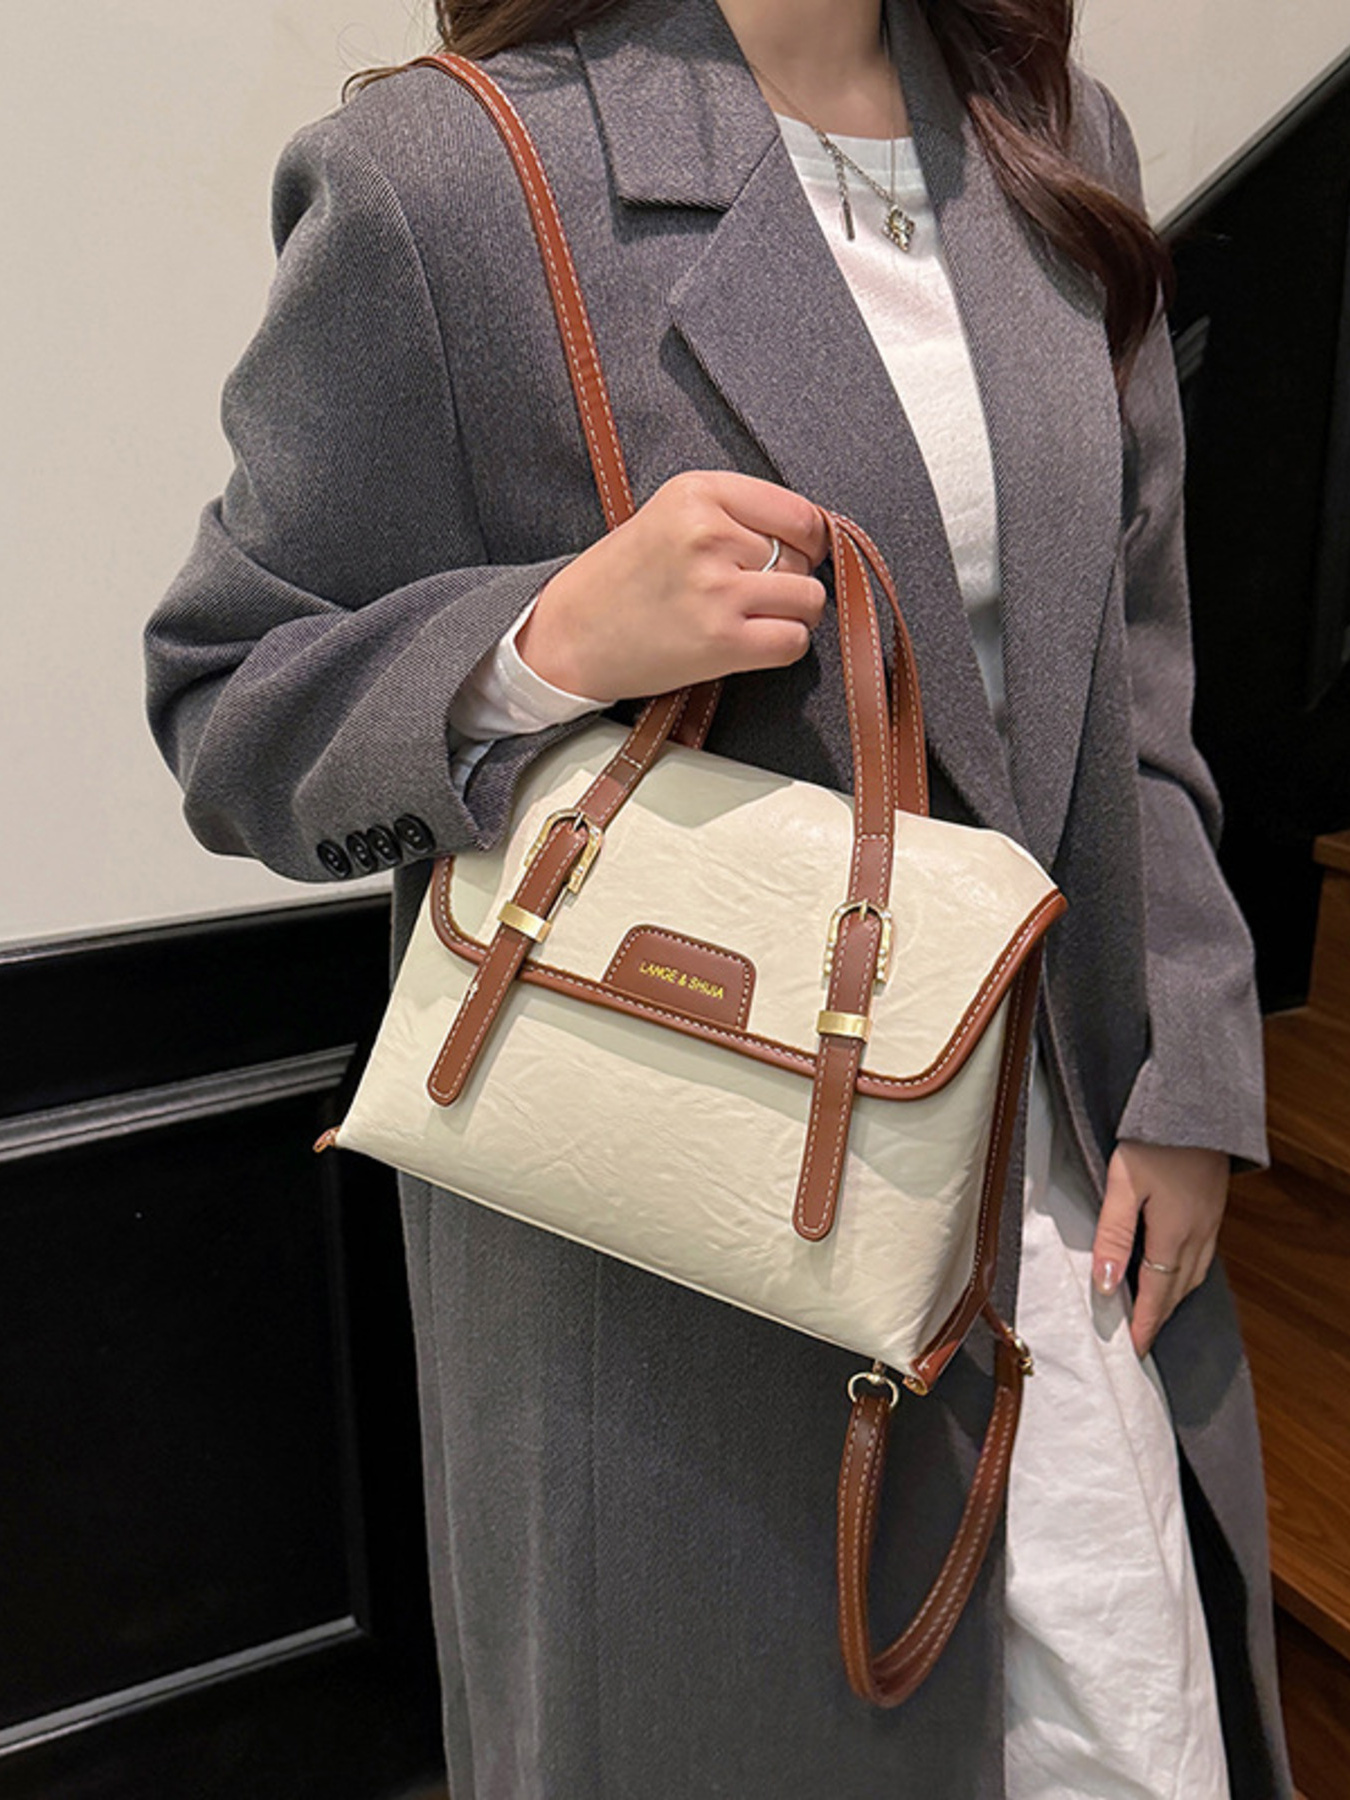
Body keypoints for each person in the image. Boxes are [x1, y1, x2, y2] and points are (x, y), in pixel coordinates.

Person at [144, 0, 1292, 1793]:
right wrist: (542, 644)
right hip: (687, 1270)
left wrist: (1190, 1072)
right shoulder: (445, 179)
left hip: (1062, 1196)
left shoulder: (1046, 132)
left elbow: (1131, 672)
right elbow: (230, 706)